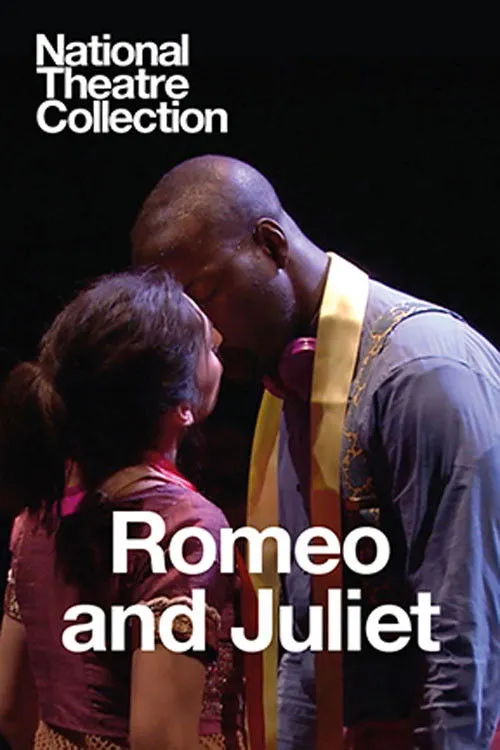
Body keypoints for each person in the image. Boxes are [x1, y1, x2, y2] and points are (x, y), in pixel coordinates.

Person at [131, 155, 500, 750]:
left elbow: (464, 639)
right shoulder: (292, 380)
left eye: (209, 295)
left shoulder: (424, 375)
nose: (208, 337)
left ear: (270, 245)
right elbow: (306, 634)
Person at [0, 268, 246, 750]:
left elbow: (10, 708)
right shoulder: (183, 528)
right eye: (209, 349)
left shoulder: (36, 519)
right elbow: (162, 740)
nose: (219, 350)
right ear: (181, 405)